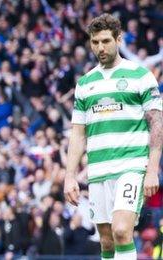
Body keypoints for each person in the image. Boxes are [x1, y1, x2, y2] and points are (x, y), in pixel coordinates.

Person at [63, 13, 163, 260]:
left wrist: (152, 169)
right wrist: (69, 176)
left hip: (131, 165)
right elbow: (77, 133)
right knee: (106, 242)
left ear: (119, 40)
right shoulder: (86, 83)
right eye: (95, 42)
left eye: (106, 41)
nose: (100, 47)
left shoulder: (140, 75)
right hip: (98, 170)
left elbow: (157, 124)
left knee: (121, 231)